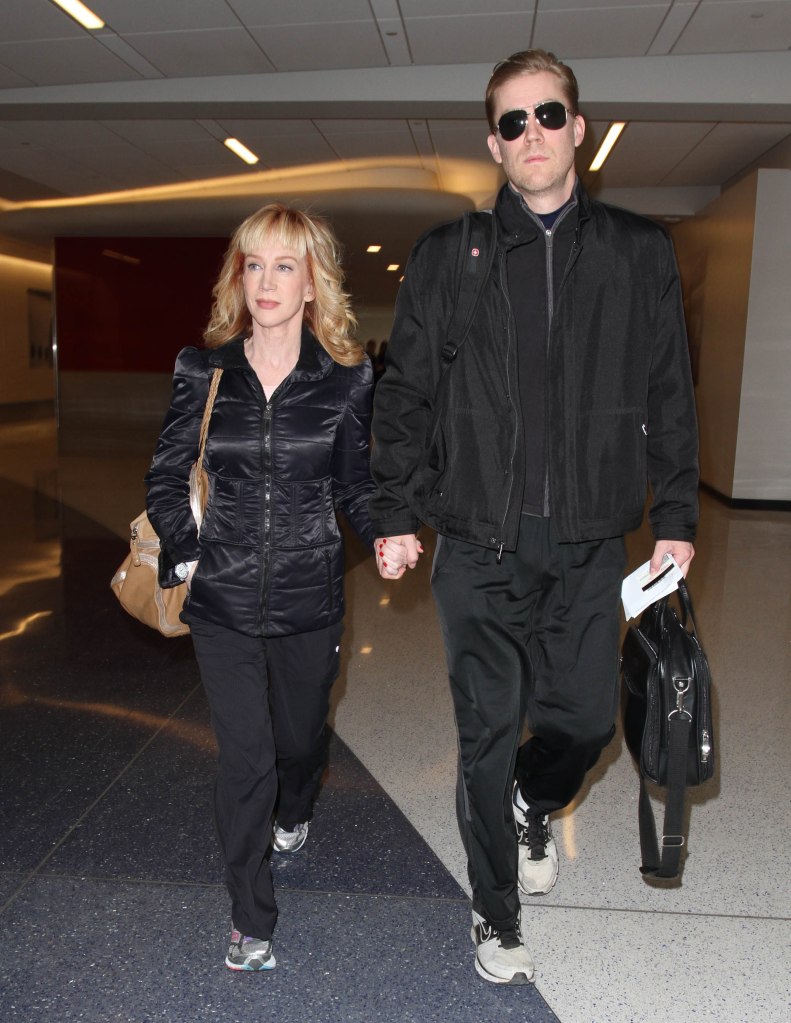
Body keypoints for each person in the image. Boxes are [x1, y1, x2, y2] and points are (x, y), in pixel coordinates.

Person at [370, 49, 699, 986]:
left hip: (591, 541)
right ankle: (495, 908)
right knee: (484, 732)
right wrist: (394, 508)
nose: (532, 135)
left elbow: (669, 390)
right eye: (511, 123)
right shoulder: (450, 256)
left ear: (577, 128)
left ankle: (532, 799)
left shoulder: (637, 251)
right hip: (478, 542)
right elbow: (404, 396)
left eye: (547, 114)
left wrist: (675, 512)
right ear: (493, 145)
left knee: (587, 723)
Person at [145, 203, 404, 972]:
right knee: (245, 758)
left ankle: (298, 806)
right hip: (220, 598)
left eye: (284, 265)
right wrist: (189, 550)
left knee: (298, 743)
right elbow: (165, 473)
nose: (265, 280)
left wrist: (383, 532)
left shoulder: (346, 379)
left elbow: (354, 484)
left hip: (308, 597)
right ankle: (249, 915)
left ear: (312, 283)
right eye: (253, 264)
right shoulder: (204, 369)